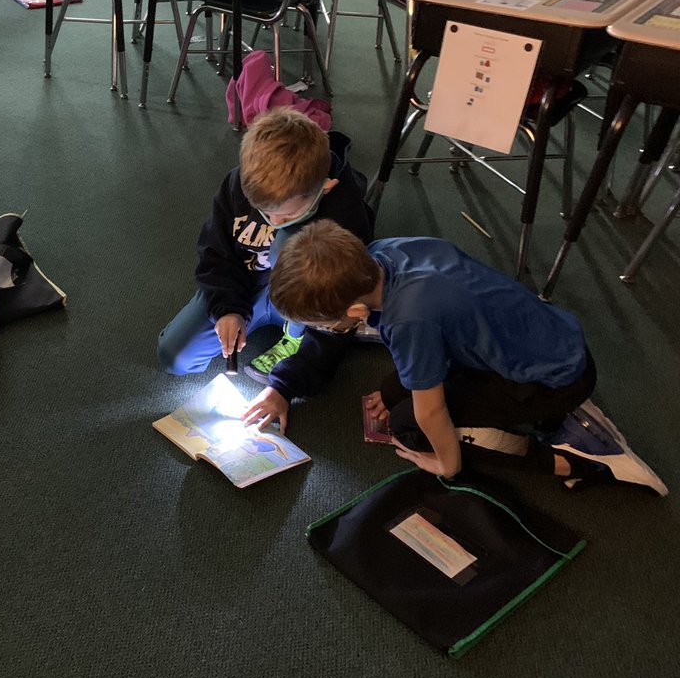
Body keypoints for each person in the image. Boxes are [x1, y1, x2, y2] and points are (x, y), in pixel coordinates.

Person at [268, 221, 668, 494]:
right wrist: (394, 388)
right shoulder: (388, 252)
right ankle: (558, 417)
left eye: (322, 325)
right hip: (557, 340)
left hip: (550, 383)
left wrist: (448, 466)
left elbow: (431, 412)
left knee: (410, 427)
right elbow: (444, 333)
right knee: (402, 393)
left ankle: (572, 458)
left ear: (355, 314)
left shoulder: (409, 321)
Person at [156, 108, 374, 434]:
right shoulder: (239, 184)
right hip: (249, 288)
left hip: (306, 304)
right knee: (176, 357)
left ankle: (294, 334)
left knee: (287, 246)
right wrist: (227, 309)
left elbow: (337, 313)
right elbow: (215, 253)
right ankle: (264, 318)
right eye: (262, 211)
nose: (272, 222)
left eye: (284, 216)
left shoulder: (345, 217)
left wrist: (286, 385)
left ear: (324, 188)